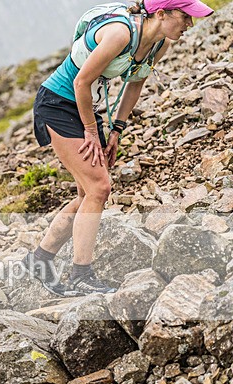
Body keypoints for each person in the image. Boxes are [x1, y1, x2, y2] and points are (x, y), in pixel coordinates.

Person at [25, 0, 213, 296]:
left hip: (90, 107)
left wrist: (117, 128)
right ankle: (81, 275)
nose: (190, 25)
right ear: (161, 13)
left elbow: (135, 82)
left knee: (89, 194)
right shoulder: (120, 33)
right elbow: (80, 81)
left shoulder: (159, 43)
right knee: (99, 188)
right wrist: (90, 130)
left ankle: (38, 260)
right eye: (186, 17)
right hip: (58, 103)